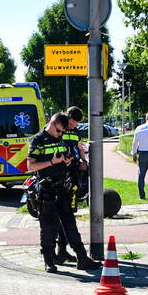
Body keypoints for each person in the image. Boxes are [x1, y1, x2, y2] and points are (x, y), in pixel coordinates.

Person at [27, 112, 101, 274]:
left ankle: (82, 258)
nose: (61, 134)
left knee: (70, 224)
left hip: (62, 188)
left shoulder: (59, 139)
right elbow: (30, 166)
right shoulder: (38, 140)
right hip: (46, 190)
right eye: (59, 131)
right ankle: (49, 261)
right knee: (48, 227)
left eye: (63, 132)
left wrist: (67, 161)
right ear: (52, 123)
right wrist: (51, 162)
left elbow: (65, 158)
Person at [55, 106, 88, 264]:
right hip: (60, 175)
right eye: (72, 124)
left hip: (73, 174)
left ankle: (62, 251)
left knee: (68, 213)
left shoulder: (76, 132)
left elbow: (80, 147)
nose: (73, 127)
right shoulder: (57, 130)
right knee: (64, 214)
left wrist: (83, 161)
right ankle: (60, 252)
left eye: (76, 125)